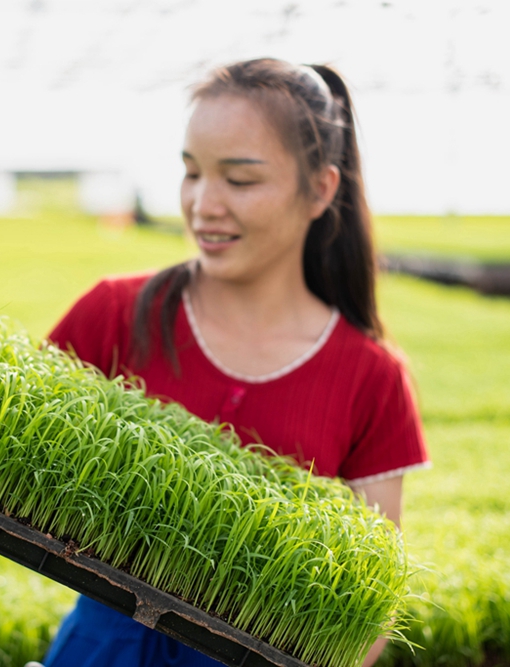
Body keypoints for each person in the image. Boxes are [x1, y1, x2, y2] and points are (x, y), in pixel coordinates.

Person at [41, 58, 429, 667]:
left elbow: (367, 611)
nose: (203, 204)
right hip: (100, 650)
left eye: (239, 181)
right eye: (191, 173)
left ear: (321, 189)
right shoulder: (112, 314)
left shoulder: (370, 376)